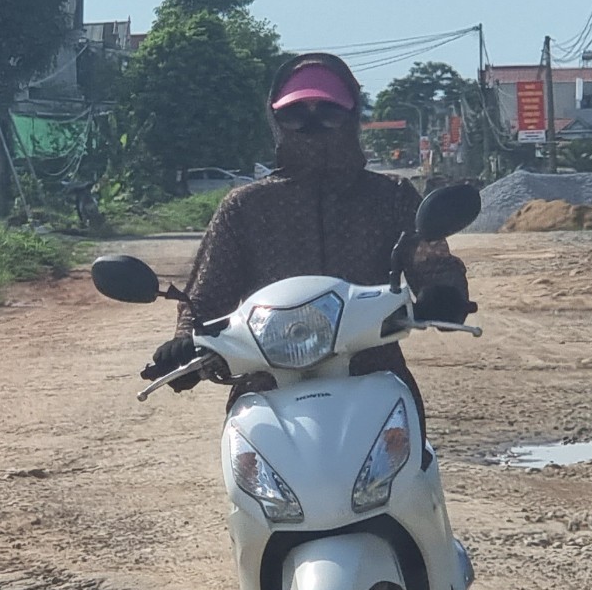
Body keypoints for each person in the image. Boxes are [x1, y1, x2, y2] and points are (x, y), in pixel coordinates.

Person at [140, 52, 472, 405]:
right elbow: (207, 294)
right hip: (267, 384)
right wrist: (186, 342)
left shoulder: (390, 196)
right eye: (296, 114)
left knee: (413, 455)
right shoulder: (245, 207)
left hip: (373, 376)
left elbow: (429, 259)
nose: (312, 125)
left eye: (328, 112)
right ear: (276, 118)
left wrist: (444, 292)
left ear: (351, 116)